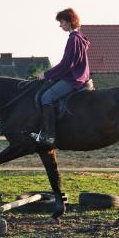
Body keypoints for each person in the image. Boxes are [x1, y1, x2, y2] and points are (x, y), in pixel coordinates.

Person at [30, 8, 90, 146]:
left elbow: (66, 64)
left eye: (62, 22)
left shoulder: (73, 39)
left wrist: (46, 74)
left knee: (46, 97)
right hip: (79, 77)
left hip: (73, 79)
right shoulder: (79, 38)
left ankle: (49, 135)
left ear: (69, 22)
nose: (60, 25)